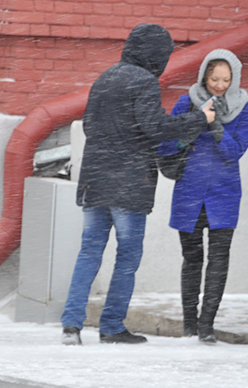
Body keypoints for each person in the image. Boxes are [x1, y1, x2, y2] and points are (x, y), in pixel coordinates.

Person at [60, 23, 214, 346]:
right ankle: (112, 325)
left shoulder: (105, 77)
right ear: (156, 54)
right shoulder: (144, 81)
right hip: (129, 183)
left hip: (95, 180)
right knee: (127, 256)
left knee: (89, 251)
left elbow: (89, 124)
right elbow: (156, 127)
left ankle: (71, 325)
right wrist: (200, 119)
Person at [159, 49, 248, 344]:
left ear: (234, 79)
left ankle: (207, 326)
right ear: (204, 76)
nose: (220, 86)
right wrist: (195, 123)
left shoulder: (243, 108)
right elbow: (166, 146)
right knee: (192, 258)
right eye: (214, 79)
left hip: (224, 193)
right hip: (190, 191)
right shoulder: (187, 102)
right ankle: (189, 324)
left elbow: (235, 152)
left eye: (226, 80)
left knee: (219, 259)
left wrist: (216, 128)